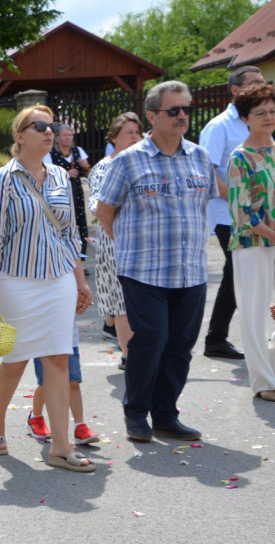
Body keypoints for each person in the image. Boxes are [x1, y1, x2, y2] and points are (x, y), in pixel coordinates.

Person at [97, 80, 219, 442]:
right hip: (143, 271)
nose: (182, 116)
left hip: (191, 269)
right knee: (150, 340)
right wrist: (132, 246)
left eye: (186, 109)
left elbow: (204, 203)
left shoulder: (199, 157)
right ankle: (136, 414)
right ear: (152, 115)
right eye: (173, 110)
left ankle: (166, 414)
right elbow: (106, 212)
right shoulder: (130, 160)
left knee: (180, 346)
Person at [0, 105, 95, 471]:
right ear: (20, 135)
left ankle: (61, 446)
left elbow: (70, 234)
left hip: (59, 278)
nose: (50, 132)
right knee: (15, 359)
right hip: (16, 280)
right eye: (40, 126)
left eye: (53, 127)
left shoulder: (62, 176)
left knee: (58, 357)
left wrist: (79, 281)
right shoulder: (2, 177)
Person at [198, 66, 266, 360]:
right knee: (238, 270)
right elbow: (207, 170)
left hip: (261, 212)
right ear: (236, 89)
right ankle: (217, 338)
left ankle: (218, 337)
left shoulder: (258, 121)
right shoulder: (219, 126)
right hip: (228, 214)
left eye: (264, 82)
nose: (261, 87)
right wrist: (239, 199)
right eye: (255, 83)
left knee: (238, 272)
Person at [227, 83, 275, 401]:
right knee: (257, 313)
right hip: (252, 246)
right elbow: (241, 213)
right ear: (245, 118)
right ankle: (264, 382)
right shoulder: (239, 158)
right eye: (260, 113)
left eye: (272, 111)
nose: (269, 117)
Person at [88, 112, 144, 369]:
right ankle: (129, 355)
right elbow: (97, 203)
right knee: (122, 300)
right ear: (113, 138)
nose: (134, 137)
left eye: (137, 132)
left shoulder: (146, 163)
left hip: (145, 242)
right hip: (115, 241)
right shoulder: (104, 167)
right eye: (128, 133)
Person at [28, 325, 100, 444]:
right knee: (46, 384)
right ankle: (36, 418)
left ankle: (79, 426)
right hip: (44, 339)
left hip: (69, 339)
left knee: (73, 382)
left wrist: (82, 305)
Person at [46, 123, 90, 257]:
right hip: (59, 194)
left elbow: (89, 174)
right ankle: (63, 257)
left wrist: (86, 167)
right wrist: (66, 173)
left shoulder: (78, 151)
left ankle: (80, 258)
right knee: (62, 222)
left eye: (70, 135)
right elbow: (47, 174)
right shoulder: (50, 154)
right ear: (57, 138)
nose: (68, 138)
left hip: (76, 192)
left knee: (79, 222)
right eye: (64, 135)